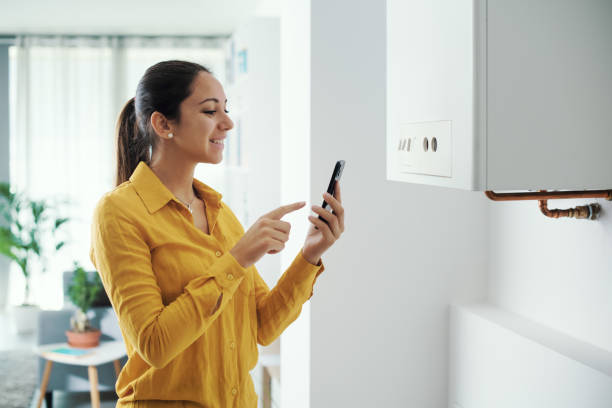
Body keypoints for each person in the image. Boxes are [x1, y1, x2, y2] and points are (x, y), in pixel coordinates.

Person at [89, 60, 345, 407]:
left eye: (226, 109)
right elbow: (154, 344)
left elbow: (262, 326)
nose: (227, 123)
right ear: (164, 124)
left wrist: (309, 256)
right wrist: (237, 259)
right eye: (210, 111)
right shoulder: (118, 212)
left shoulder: (219, 212)